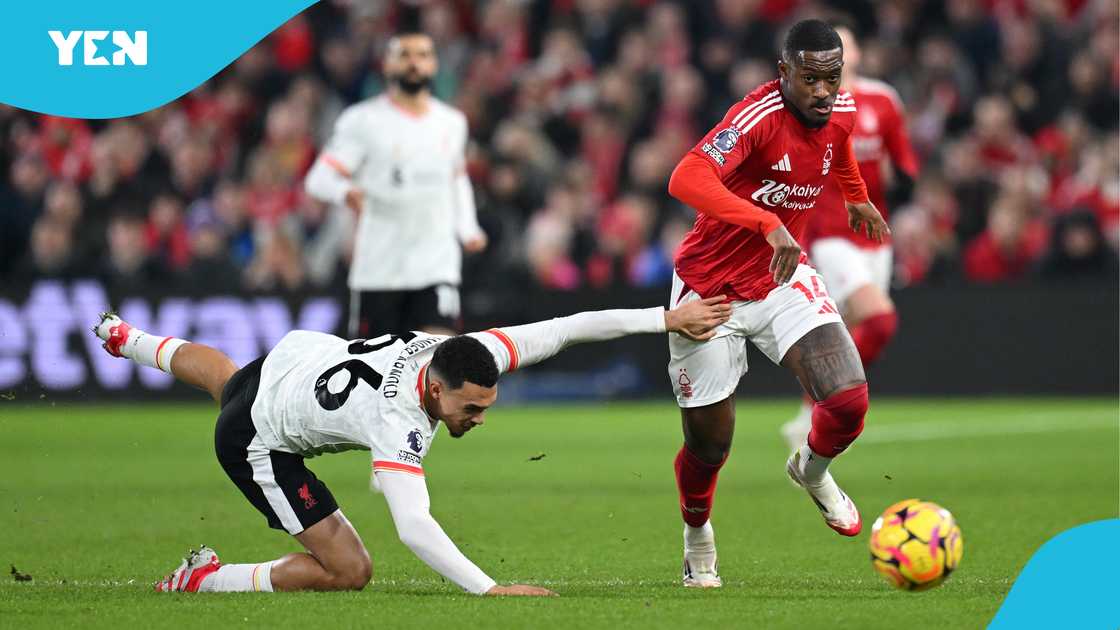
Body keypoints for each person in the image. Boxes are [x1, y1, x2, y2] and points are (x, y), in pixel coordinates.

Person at [90, 296, 730, 595]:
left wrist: (664, 319)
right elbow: (414, 526)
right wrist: (488, 589)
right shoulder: (398, 421)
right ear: (435, 389)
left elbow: (567, 328)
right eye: (470, 409)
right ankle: (207, 580)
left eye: (487, 405)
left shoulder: (468, 352)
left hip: (290, 362)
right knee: (350, 571)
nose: (479, 418)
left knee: (223, 377)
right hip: (259, 440)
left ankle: (129, 340)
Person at [664, 19, 889, 588]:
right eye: (810, 79)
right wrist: (766, 221)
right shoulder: (756, 117)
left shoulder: (842, 108)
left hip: (780, 276)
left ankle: (811, 470)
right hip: (710, 289)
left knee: (848, 399)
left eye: (833, 78)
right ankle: (697, 534)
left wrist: (857, 197)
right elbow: (685, 178)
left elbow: (839, 150)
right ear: (783, 72)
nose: (824, 91)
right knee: (709, 446)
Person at [781, 23, 920, 450]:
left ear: (854, 53)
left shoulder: (883, 100)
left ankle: (809, 413)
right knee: (879, 319)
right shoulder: (807, 105)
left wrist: (906, 185)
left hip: (875, 235)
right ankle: (833, 408)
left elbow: (904, 161)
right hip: (829, 234)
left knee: (851, 330)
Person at [305, 31, 487, 338]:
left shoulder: (452, 122)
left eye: (422, 55)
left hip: (436, 264)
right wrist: (345, 191)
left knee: (440, 351)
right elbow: (319, 178)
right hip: (381, 268)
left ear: (434, 65)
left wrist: (468, 228)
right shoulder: (362, 120)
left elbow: (457, 179)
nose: (414, 63)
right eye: (404, 55)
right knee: (375, 359)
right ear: (387, 65)